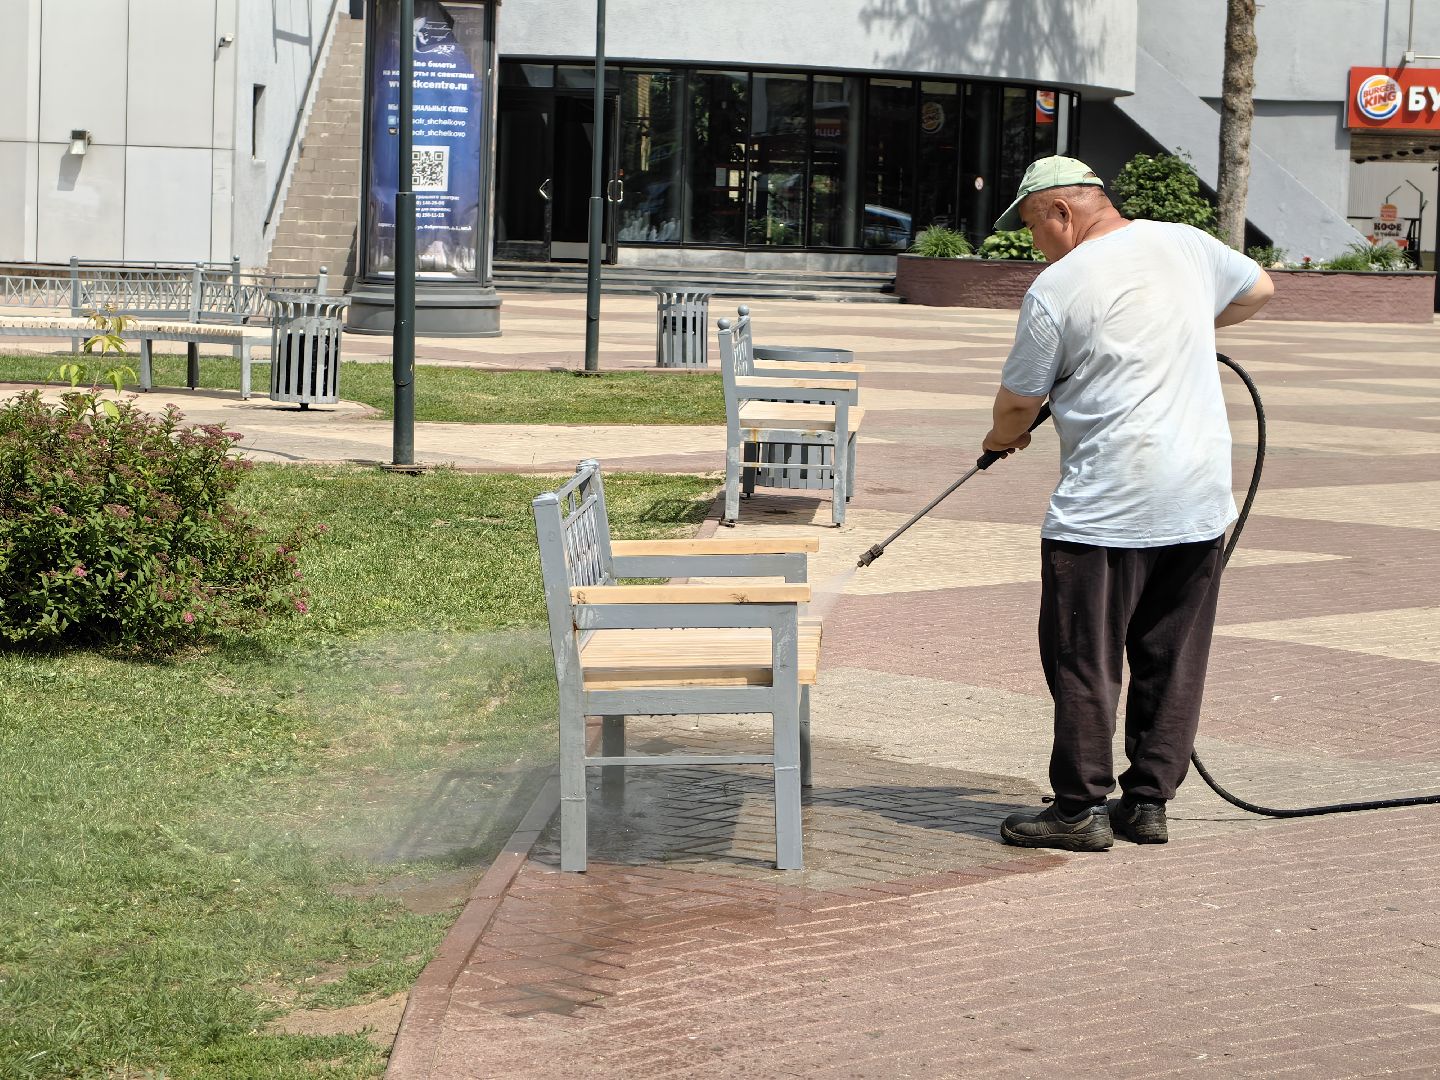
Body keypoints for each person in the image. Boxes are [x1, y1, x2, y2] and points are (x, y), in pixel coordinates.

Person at [982, 156, 1274, 852]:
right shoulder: (1185, 242)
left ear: (1062, 212)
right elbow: (1259, 288)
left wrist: (1001, 440)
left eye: (1031, 228)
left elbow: (1021, 402)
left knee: (1084, 659)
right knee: (1171, 655)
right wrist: (1178, 331)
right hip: (1199, 499)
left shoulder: (1058, 286)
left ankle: (1078, 809)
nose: (1034, 245)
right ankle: (1147, 804)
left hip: (1105, 511)